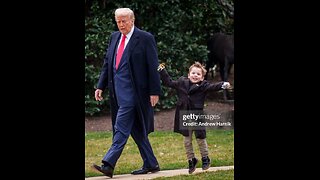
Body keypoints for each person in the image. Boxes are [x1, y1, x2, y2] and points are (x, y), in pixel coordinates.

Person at [93, 8, 161, 178]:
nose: (121, 24)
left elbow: (154, 66)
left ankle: (108, 164)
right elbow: (107, 63)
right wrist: (100, 86)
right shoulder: (114, 37)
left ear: (132, 20)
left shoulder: (145, 38)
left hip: (135, 94)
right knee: (137, 129)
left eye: (124, 21)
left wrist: (154, 91)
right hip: (117, 92)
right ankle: (151, 163)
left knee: (121, 128)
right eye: (118, 21)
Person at [157, 62, 231, 174]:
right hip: (184, 115)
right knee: (187, 141)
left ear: (202, 77)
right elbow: (169, 82)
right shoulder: (181, 82)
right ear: (188, 74)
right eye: (193, 73)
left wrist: (222, 84)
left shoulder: (203, 86)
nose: (195, 75)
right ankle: (191, 160)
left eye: (198, 74)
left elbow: (213, 87)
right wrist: (162, 70)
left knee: (200, 138)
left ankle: (205, 158)